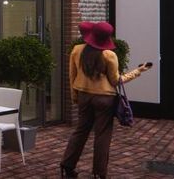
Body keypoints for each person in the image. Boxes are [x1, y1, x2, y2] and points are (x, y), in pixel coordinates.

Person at [59, 21, 153, 178]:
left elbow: (72, 76)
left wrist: (74, 96)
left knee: (80, 131)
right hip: (104, 99)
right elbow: (116, 81)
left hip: (83, 96)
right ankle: (99, 173)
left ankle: (67, 166)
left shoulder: (77, 50)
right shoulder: (109, 55)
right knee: (102, 135)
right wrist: (138, 71)